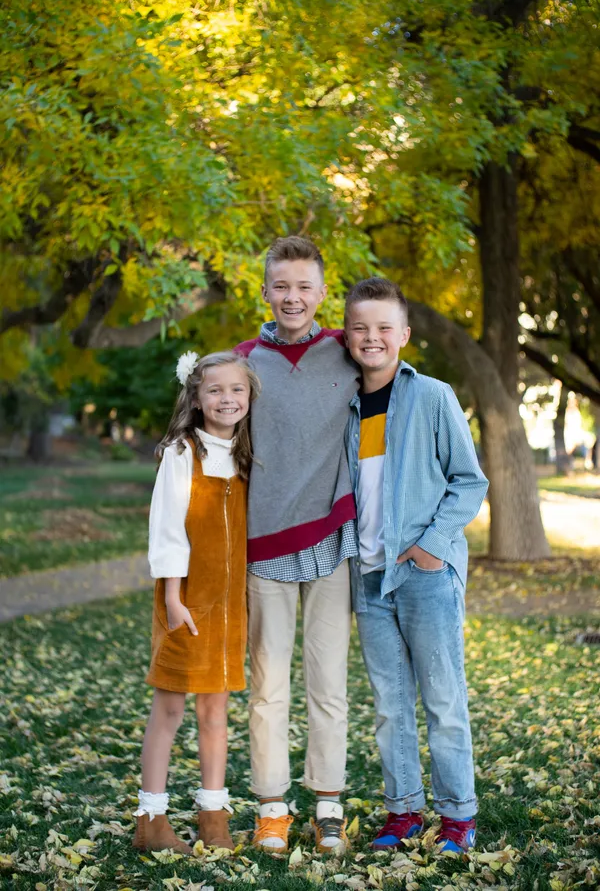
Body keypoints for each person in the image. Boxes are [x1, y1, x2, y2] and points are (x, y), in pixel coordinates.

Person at [344, 277, 489, 853]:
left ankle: (458, 817)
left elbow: (468, 480)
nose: (372, 337)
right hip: (369, 576)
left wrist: (432, 544)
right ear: (347, 335)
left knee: (442, 698)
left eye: (384, 327)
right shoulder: (345, 403)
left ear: (403, 334)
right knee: (389, 704)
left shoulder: (433, 396)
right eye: (361, 327)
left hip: (425, 574)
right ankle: (402, 812)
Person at [235, 236, 360, 854]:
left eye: (304, 286)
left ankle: (329, 804)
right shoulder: (241, 363)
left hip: (332, 541)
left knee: (328, 681)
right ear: (264, 291)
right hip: (265, 547)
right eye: (281, 285)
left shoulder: (347, 351)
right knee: (267, 686)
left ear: (321, 292)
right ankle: (273, 806)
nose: (292, 297)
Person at [133, 350, 260, 854]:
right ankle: (152, 819)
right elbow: (166, 529)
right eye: (215, 390)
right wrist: (172, 597)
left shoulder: (248, 454)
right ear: (196, 396)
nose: (226, 399)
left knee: (216, 712)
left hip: (231, 607)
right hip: (186, 601)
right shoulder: (182, 452)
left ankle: (213, 815)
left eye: (236, 390)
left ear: (249, 396)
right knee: (168, 709)